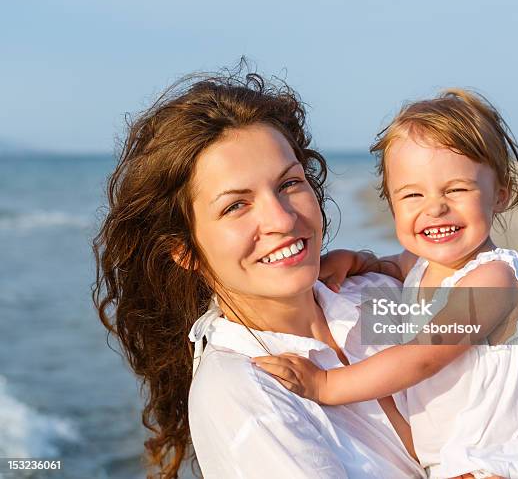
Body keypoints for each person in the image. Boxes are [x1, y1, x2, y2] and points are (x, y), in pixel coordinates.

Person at [92, 69, 425, 478]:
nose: (281, 219)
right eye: (236, 205)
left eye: (288, 184)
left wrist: (385, 264)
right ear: (185, 251)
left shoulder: (367, 299)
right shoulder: (243, 389)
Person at [253, 89, 518, 478]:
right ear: (392, 204)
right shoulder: (424, 263)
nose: (434, 207)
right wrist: (358, 260)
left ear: (500, 194)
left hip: (494, 464)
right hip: (457, 461)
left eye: (456, 189)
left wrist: (327, 384)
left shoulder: (493, 281)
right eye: (413, 194)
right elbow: (396, 268)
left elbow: (423, 356)